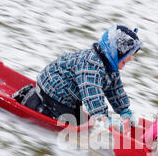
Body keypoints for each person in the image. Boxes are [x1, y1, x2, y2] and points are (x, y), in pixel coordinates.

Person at [12, 25, 142, 128]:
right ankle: (31, 100)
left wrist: (124, 110)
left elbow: (114, 89)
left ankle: (45, 101)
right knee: (67, 123)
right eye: (124, 60)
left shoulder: (110, 66)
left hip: (69, 94)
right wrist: (104, 117)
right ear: (113, 53)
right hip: (53, 88)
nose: (125, 64)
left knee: (81, 121)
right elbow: (92, 93)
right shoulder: (90, 64)